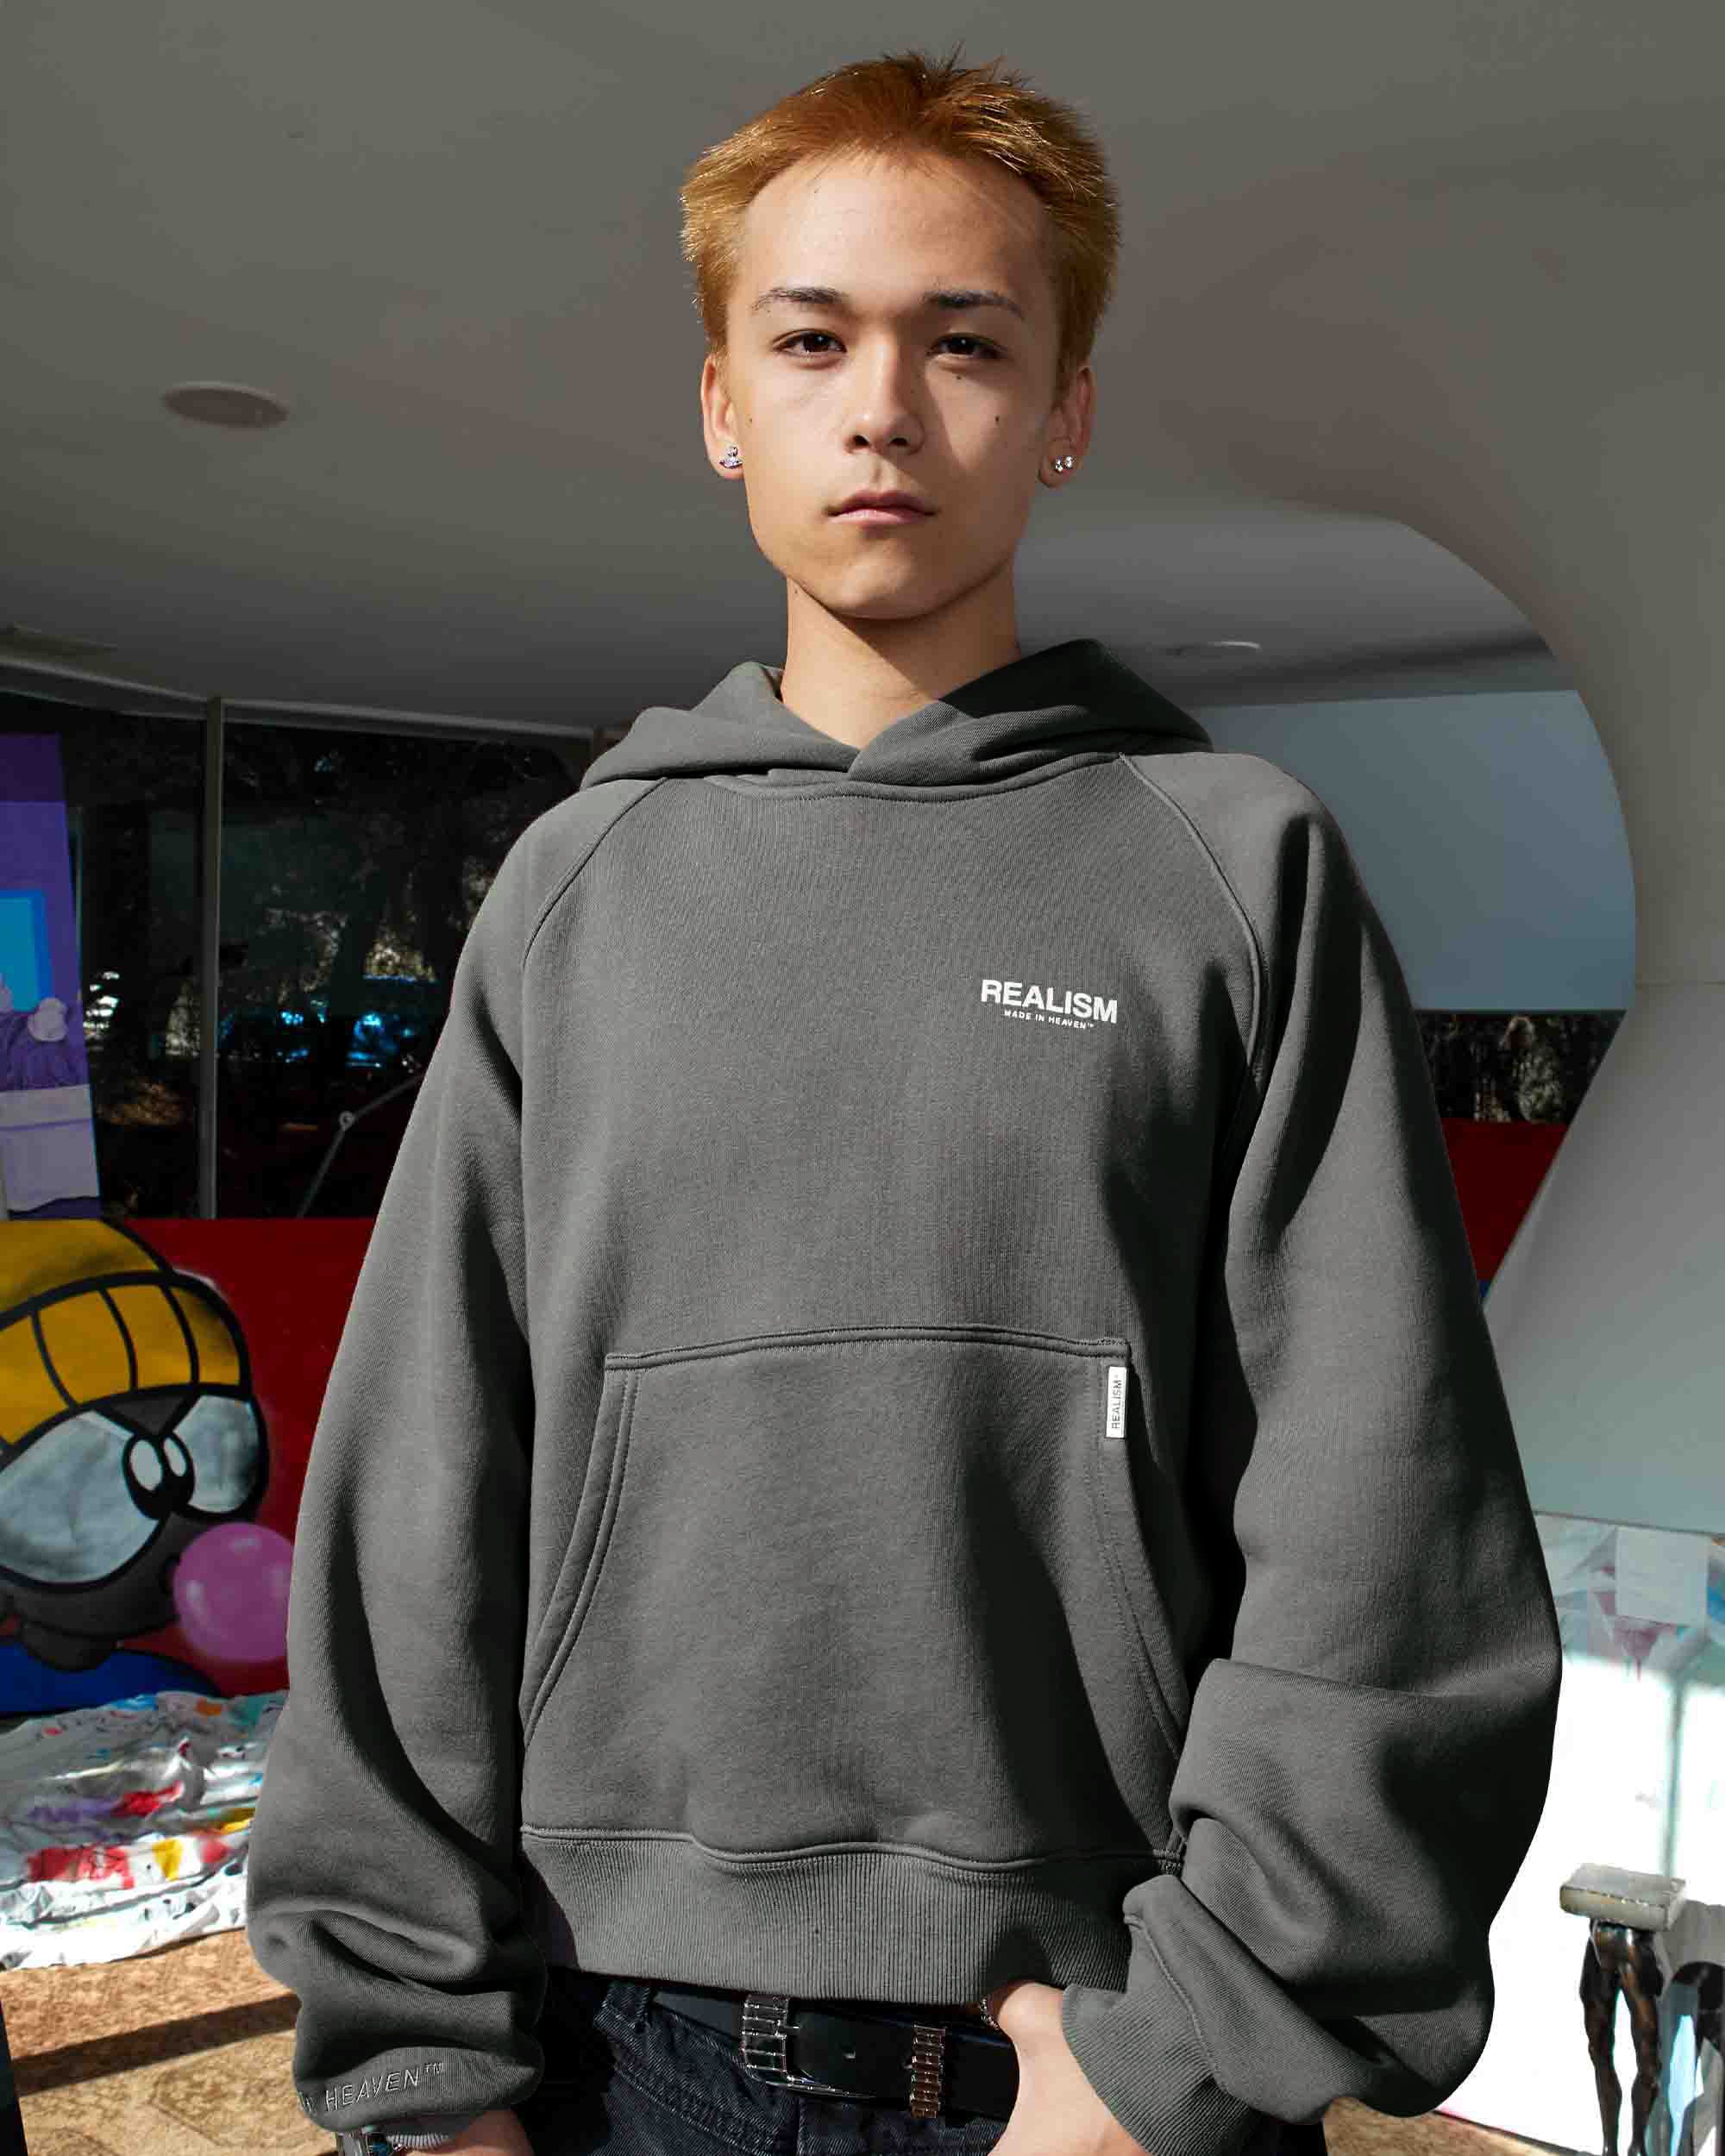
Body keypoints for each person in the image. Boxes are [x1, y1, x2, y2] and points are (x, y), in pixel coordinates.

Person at [243, 41, 1564, 2156]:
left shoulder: (1234, 872)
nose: (881, 406)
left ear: (1062, 413)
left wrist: (1181, 2056)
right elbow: (417, 1500)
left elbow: (1385, 1529)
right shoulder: (577, 894)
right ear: (720, 403)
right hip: (610, 2062)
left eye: (964, 341)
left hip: (1090, 2053)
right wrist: (417, 2062)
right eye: (811, 339)